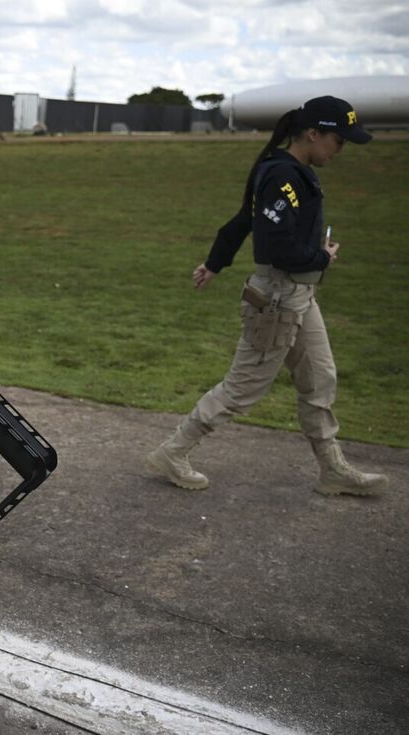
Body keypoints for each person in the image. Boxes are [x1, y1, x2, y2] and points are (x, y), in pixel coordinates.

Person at [145, 95, 388, 497]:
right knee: (242, 388)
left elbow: (243, 220)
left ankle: (333, 469)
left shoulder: (291, 170)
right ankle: (173, 451)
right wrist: (321, 257)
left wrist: (214, 263)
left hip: (299, 297)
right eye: (339, 141)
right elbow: (275, 246)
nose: (340, 149)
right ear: (312, 133)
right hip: (277, 299)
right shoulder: (283, 176)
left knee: (320, 379)